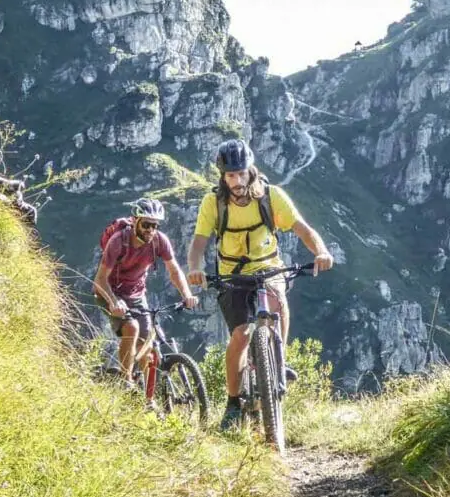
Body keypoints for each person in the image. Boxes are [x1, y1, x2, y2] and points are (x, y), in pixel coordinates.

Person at [186, 139, 334, 430]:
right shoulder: (213, 203)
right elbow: (199, 242)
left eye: (241, 173)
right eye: (231, 175)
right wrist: (194, 268)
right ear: (223, 176)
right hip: (232, 275)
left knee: (278, 299)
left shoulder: (271, 196)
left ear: (251, 170)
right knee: (240, 335)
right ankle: (232, 402)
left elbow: (302, 227)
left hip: (268, 266)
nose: (237, 180)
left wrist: (321, 251)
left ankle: (279, 358)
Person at [93, 197, 198, 388]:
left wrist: (187, 295)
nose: (151, 230)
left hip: (136, 293)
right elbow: (100, 279)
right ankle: (127, 382)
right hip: (109, 291)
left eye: (155, 226)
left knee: (146, 339)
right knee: (131, 328)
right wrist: (114, 302)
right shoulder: (118, 242)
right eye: (147, 224)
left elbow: (174, 271)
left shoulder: (159, 241)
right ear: (135, 221)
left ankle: (149, 397)